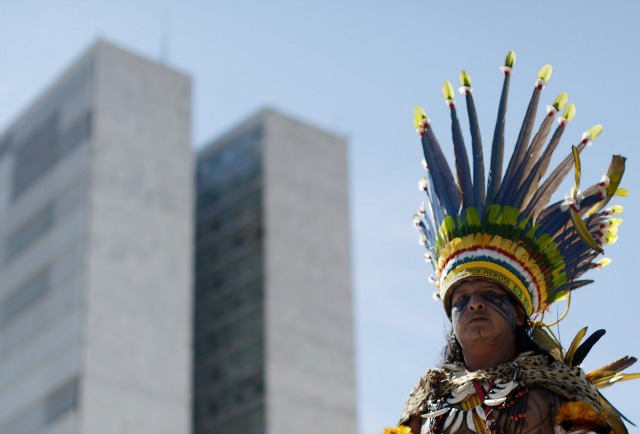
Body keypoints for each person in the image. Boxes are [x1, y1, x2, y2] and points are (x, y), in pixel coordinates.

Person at [385, 51, 636, 434]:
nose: (475, 304)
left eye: (489, 292)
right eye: (461, 299)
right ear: (451, 319)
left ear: (519, 313)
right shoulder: (427, 404)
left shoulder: (558, 392)